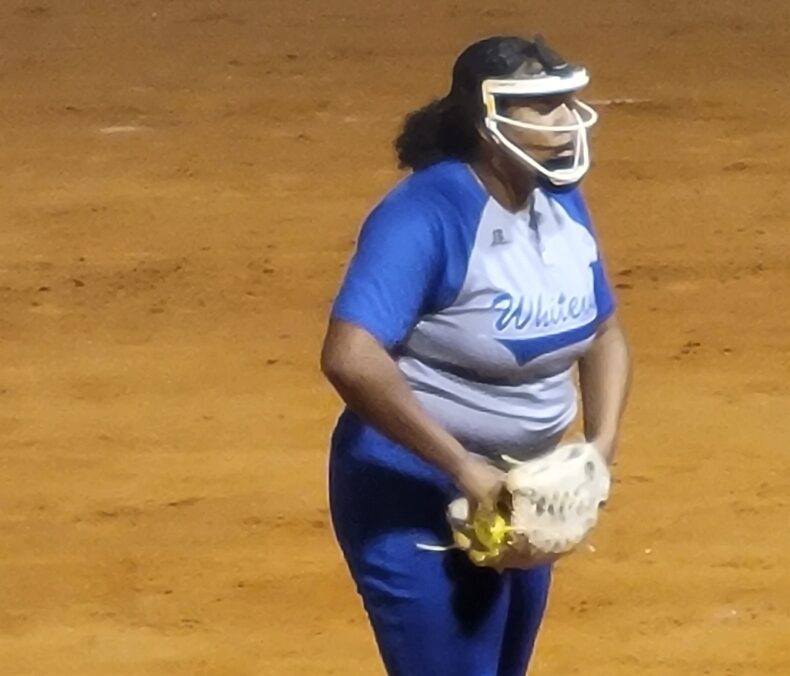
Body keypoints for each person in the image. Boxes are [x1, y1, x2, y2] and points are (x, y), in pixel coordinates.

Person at [321, 34, 632, 676]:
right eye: (543, 106)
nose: (567, 118)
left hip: (523, 494)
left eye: (568, 100)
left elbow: (604, 333)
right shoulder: (424, 214)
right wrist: (465, 469)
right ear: (489, 124)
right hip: (413, 490)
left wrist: (599, 449)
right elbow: (351, 355)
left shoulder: (560, 202)